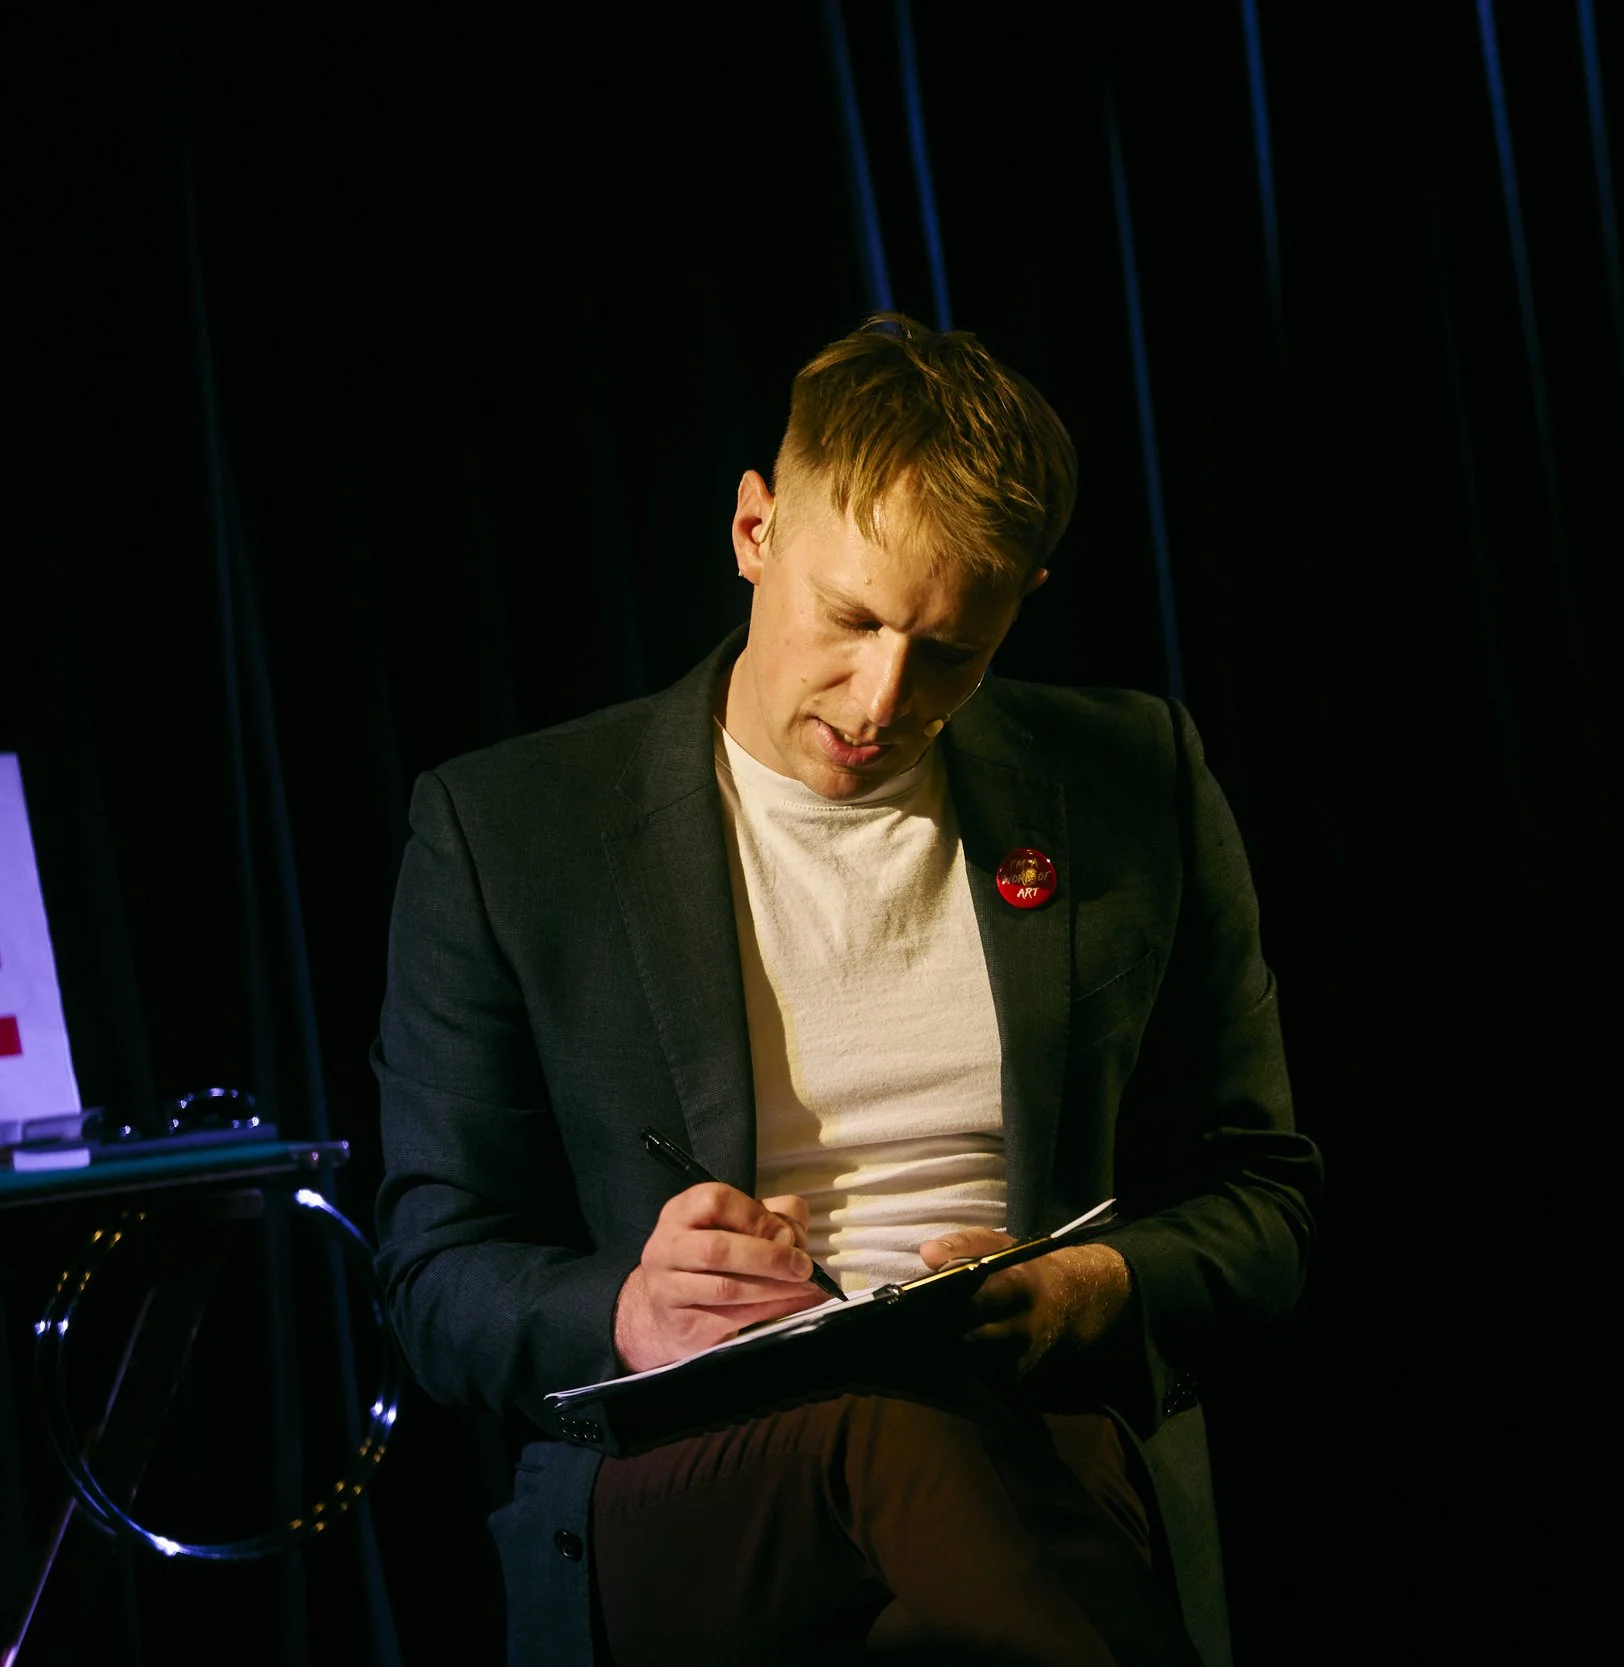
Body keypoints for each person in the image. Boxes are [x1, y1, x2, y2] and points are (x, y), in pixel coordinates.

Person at [372, 313, 1319, 1667]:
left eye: (950, 649)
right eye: (853, 617)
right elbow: (432, 1275)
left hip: (1040, 1420)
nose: (882, 697)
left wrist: (1091, 1285)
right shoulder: (509, 830)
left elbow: (1266, 1197)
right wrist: (631, 1308)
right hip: (689, 1478)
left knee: (954, 1561)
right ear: (755, 531)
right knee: (886, 1411)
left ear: (1022, 599)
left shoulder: (1130, 777)